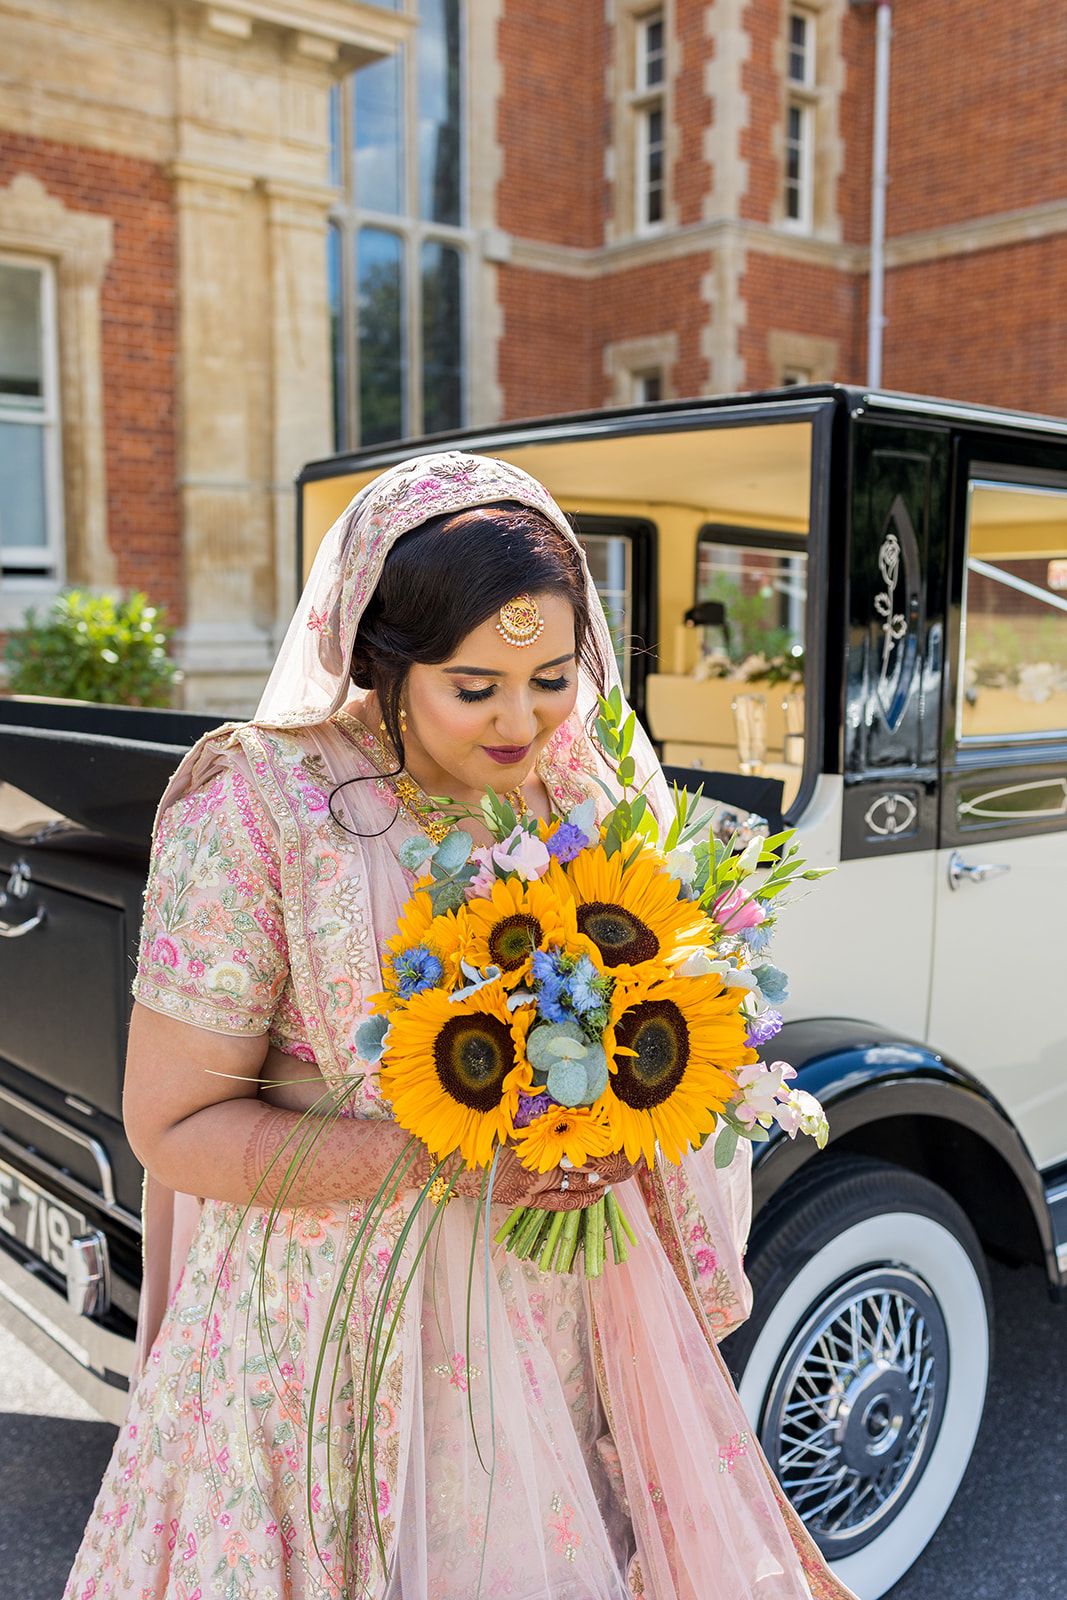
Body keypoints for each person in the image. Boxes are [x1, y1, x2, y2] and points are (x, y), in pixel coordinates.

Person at [63, 451, 856, 1600]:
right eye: (473, 686)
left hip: (554, 1325)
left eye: (550, 677)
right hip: (328, 1342)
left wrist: (627, 1110)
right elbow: (173, 1123)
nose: (523, 720)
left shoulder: (582, 791)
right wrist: (432, 1158)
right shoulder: (262, 809)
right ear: (380, 663)